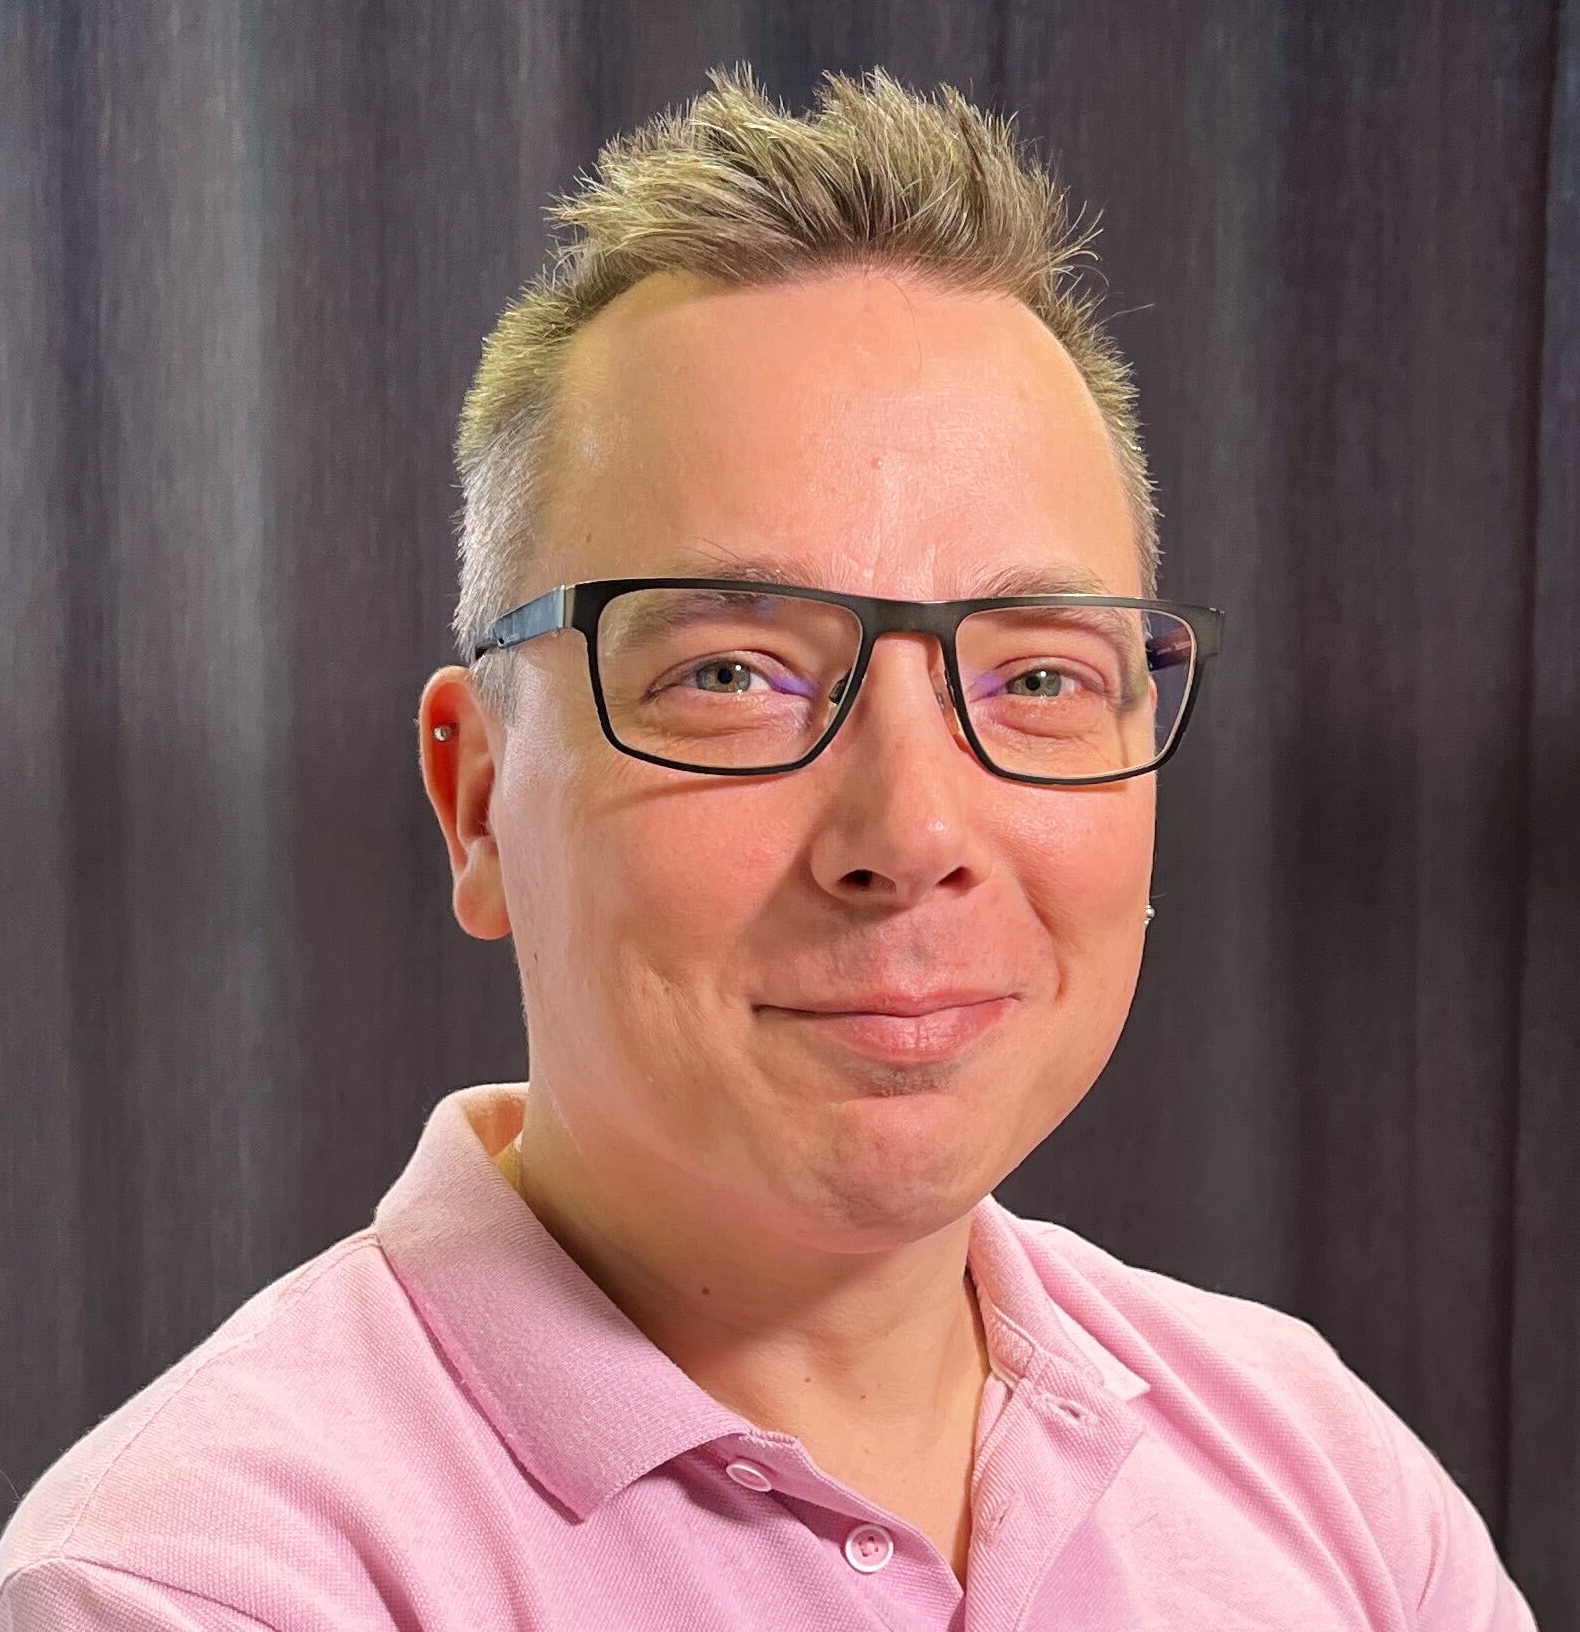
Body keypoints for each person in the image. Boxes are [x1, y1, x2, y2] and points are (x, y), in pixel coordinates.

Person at [0, 65, 1537, 1631]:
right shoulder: (190, 1590)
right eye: (731, 674)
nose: (913, 835)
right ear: (477, 802)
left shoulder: (1334, 1489)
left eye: (1036, 679)